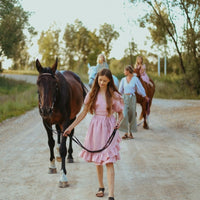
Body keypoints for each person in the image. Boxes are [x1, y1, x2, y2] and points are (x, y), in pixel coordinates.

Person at [63, 68, 124, 200]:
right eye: (100, 80)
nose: (102, 82)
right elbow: (83, 113)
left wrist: (119, 122)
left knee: (109, 161)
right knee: (98, 160)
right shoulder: (92, 94)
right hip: (96, 128)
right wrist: (70, 127)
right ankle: (101, 186)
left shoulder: (113, 94)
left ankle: (111, 194)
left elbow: (120, 113)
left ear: (109, 82)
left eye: (105, 81)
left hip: (109, 128)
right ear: (97, 79)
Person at [119, 65, 149, 139]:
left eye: (124, 70)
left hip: (132, 98)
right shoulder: (123, 80)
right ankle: (125, 132)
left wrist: (145, 96)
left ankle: (131, 133)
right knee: (125, 114)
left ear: (128, 71)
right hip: (125, 98)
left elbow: (140, 88)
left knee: (132, 115)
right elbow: (120, 90)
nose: (123, 72)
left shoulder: (135, 79)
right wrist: (118, 97)